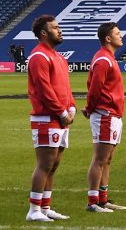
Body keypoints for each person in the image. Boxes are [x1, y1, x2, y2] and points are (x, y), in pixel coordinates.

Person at [25, 15, 75, 222]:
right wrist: (63, 113)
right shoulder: (39, 57)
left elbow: (65, 88)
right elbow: (45, 90)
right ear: (44, 33)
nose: (59, 30)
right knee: (44, 164)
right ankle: (33, 210)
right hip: (47, 118)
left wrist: (71, 106)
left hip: (60, 119)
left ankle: (45, 207)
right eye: (55, 28)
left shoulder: (59, 57)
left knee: (53, 165)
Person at [83, 22, 126, 213]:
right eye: (117, 33)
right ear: (108, 38)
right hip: (105, 114)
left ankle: (102, 199)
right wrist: (90, 108)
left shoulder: (108, 58)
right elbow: (95, 89)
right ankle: (93, 201)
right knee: (100, 159)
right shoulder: (103, 60)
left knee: (106, 159)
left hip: (112, 114)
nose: (121, 35)